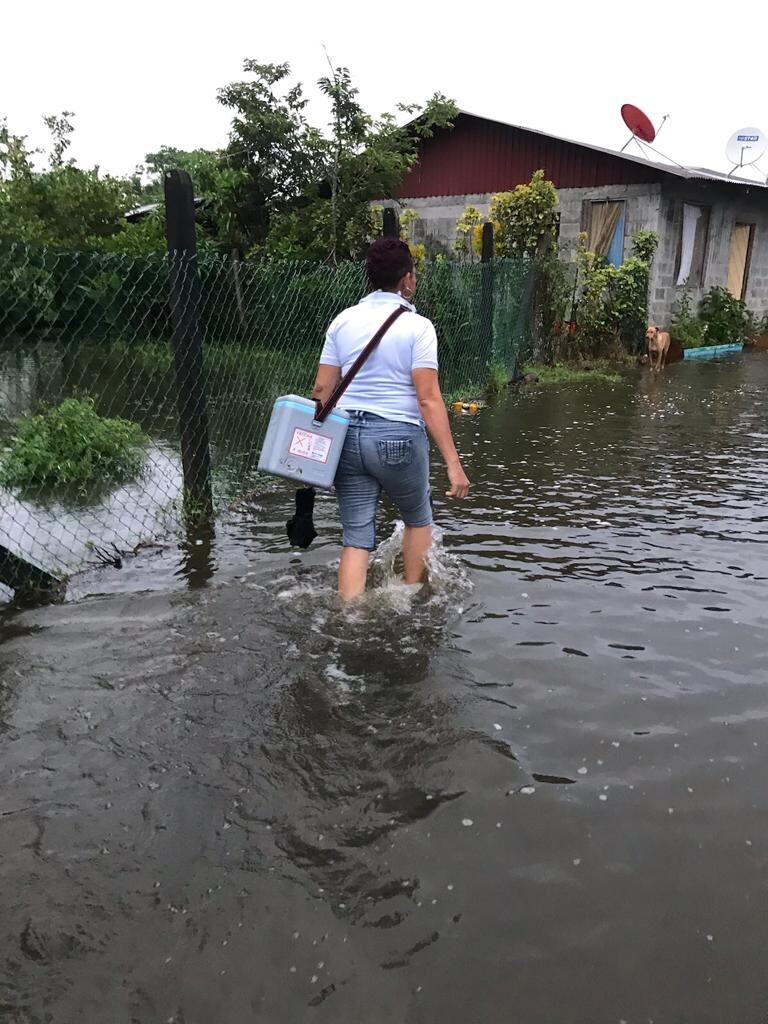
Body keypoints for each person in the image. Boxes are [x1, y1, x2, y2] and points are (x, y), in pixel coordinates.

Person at [311, 237, 470, 600]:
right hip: (397, 437)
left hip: (347, 437)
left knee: (356, 537)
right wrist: (453, 463)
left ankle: (349, 618)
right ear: (407, 281)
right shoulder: (418, 327)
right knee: (418, 518)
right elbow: (428, 399)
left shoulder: (342, 321)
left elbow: (321, 391)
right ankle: (410, 603)